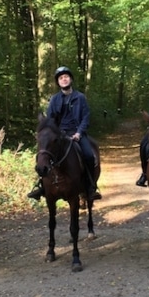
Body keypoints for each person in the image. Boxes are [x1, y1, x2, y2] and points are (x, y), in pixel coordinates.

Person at [27, 66, 102, 202]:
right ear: (58, 82)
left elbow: (85, 117)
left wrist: (79, 133)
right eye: (61, 78)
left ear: (71, 79)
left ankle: (90, 187)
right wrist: (54, 134)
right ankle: (42, 186)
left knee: (89, 155)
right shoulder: (54, 100)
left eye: (66, 77)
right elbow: (50, 120)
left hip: (77, 133)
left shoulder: (80, 98)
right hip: (60, 134)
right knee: (43, 155)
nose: (64, 79)